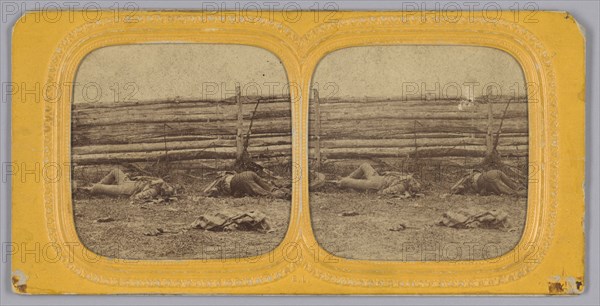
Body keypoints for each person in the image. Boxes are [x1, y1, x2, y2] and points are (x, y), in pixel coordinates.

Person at [85, 168, 175, 201]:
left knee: (97, 187)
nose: (165, 185)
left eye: (166, 188)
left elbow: (136, 197)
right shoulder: (158, 182)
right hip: (128, 182)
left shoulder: (154, 191)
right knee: (115, 171)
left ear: (163, 192)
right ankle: (97, 186)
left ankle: (88, 191)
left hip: (124, 190)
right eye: (167, 185)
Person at [338, 163, 422, 197]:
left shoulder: (401, 186)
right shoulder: (406, 177)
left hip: (375, 185)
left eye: (414, 183)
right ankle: (347, 178)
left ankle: (340, 182)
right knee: (365, 165)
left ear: (410, 186)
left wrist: (371, 190)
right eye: (414, 181)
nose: (413, 180)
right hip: (377, 177)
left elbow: (383, 192)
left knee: (344, 182)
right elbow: (391, 173)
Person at [203, 171, 289, 199]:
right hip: (248, 173)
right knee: (269, 187)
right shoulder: (229, 174)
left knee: (263, 193)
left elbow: (207, 191)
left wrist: (211, 193)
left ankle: (286, 195)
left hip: (241, 180)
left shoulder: (218, 181)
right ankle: (285, 191)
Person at [450, 169, 526, 196]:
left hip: (486, 179)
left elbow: (454, 188)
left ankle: (523, 193)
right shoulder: (473, 176)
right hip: (494, 172)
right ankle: (520, 188)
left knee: (508, 192)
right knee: (511, 185)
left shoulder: (466, 178)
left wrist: (455, 191)